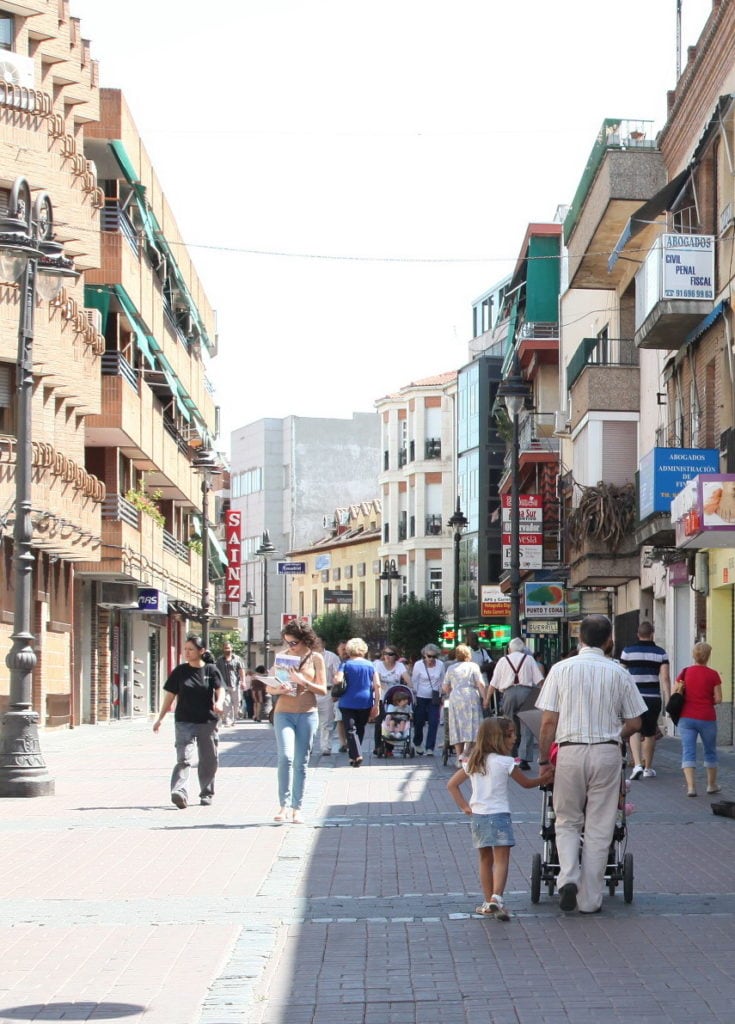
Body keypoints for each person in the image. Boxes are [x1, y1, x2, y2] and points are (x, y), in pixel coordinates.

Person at [537, 614, 646, 914]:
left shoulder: (560, 669)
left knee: (567, 820)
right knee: (600, 827)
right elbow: (636, 721)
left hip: (569, 752)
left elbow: (548, 722)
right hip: (606, 753)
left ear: (579, 639)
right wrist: (615, 733)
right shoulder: (619, 672)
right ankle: (589, 900)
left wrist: (545, 759)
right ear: (609, 640)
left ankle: (567, 877)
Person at [447, 716, 551, 920]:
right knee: (501, 859)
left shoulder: (474, 761)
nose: (514, 738)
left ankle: (487, 902)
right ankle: (497, 899)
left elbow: (451, 785)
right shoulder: (506, 762)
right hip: (500, 815)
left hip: (478, 817)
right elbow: (527, 784)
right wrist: (545, 778)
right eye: (510, 735)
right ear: (498, 738)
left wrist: (465, 807)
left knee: (485, 859)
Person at [153, 634, 225, 809]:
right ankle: (179, 792)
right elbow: (169, 696)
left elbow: (220, 689)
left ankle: (206, 793)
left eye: (190, 649)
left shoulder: (211, 670)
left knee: (208, 759)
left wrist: (219, 702)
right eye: (185, 649)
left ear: (201, 651)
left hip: (207, 721)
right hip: (184, 720)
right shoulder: (180, 671)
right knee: (183, 758)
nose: (186, 652)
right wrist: (160, 718)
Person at [265, 622, 326, 823]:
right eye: (288, 642)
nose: (291, 646)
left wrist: (303, 682)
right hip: (284, 712)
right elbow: (269, 688)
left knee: (301, 762)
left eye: (294, 642)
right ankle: (283, 805)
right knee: (286, 757)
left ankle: (296, 808)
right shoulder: (283, 657)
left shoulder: (316, 658)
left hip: (307, 713)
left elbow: (323, 690)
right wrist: (277, 690)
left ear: (305, 639)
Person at [619, 620, 671, 781]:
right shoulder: (661, 653)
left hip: (633, 698)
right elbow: (665, 677)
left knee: (634, 729)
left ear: (638, 634)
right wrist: (668, 698)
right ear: (652, 634)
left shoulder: (627, 652)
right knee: (649, 733)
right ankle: (648, 767)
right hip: (652, 697)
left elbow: (621, 674)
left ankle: (637, 765)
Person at [674, 641, 722, 797]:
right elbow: (719, 698)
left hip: (686, 717)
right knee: (710, 751)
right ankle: (711, 785)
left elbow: (676, 692)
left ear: (693, 655)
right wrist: (708, 700)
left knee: (688, 752)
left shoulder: (685, 672)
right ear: (708, 656)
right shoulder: (713, 674)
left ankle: (691, 788)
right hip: (707, 717)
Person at [489, 638, 544, 770]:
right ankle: (524, 758)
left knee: (508, 724)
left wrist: (486, 699)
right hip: (527, 693)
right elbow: (539, 680)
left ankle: (510, 755)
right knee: (527, 726)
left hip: (509, 693)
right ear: (523, 649)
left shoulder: (503, 660)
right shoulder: (529, 659)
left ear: (509, 649)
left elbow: (493, 683)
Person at [335, 637, 381, 766]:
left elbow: (338, 680)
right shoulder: (370, 665)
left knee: (350, 729)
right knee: (360, 728)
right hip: (365, 701)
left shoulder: (345, 664)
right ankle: (354, 756)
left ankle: (356, 754)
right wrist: (376, 703)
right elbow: (377, 685)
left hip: (347, 702)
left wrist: (336, 678)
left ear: (349, 650)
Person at [442, 644, 486, 759]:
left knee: (457, 724)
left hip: (456, 697)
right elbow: (480, 684)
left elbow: (445, 687)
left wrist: (451, 690)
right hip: (470, 695)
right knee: (473, 724)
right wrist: (485, 698)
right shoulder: (473, 666)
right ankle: (468, 752)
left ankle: (459, 756)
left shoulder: (451, 668)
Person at [372, 645, 411, 754]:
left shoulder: (399, 666)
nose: (387, 656)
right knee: (380, 721)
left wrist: (410, 687)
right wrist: (385, 688)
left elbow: (407, 679)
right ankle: (378, 746)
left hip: (394, 698)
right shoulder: (378, 665)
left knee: (394, 720)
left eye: (390, 654)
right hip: (381, 696)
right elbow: (377, 680)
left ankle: (389, 748)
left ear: (395, 656)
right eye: (385, 654)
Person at [411, 643, 445, 756]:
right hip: (420, 697)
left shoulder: (440, 665)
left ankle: (430, 747)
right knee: (419, 721)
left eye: (434, 656)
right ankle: (417, 742)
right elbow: (414, 680)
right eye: (429, 656)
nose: (431, 659)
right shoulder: (418, 665)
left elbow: (442, 680)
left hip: (434, 698)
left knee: (433, 722)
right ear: (424, 655)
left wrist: (442, 695)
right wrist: (414, 696)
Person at [315, 638, 340, 756]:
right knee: (309, 722)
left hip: (326, 691)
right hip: (309, 692)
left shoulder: (332, 657)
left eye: (318, 642)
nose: (315, 644)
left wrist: (336, 692)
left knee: (326, 722)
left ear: (323, 643)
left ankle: (326, 747)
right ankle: (307, 747)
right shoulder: (306, 656)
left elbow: (338, 676)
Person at [215, 642, 244, 725]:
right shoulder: (219, 660)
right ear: (223, 649)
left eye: (228, 648)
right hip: (224, 685)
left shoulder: (238, 659)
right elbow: (217, 672)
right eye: (225, 648)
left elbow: (241, 670)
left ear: (232, 649)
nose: (227, 650)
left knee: (236, 703)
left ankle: (235, 719)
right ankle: (228, 720)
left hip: (235, 684)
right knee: (226, 703)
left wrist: (243, 681)